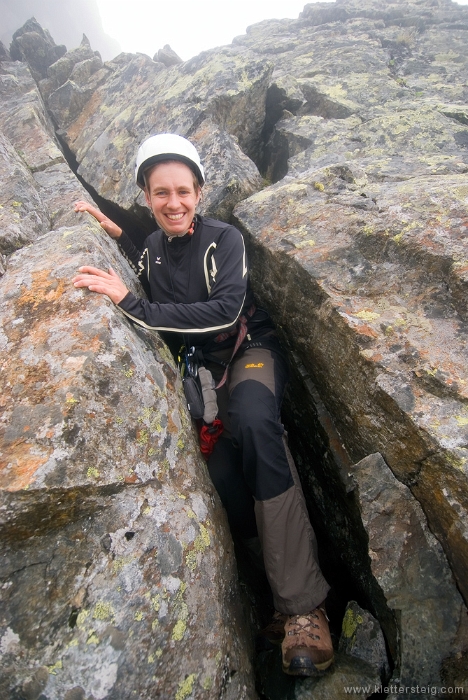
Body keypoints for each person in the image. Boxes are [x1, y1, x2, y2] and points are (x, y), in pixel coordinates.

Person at [72, 133, 334, 677]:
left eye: (184, 191)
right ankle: (269, 596)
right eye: (161, 192)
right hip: (205, 374)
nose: (174, 202)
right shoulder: (149, 247)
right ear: (146, 194)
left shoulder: (224, 240)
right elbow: (150, 248)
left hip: (249, 350)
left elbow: (222, 311)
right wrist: (107, 230)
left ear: (200, 191)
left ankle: (304, 606)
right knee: (218, 472)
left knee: (256, 422)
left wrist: (132, 306)